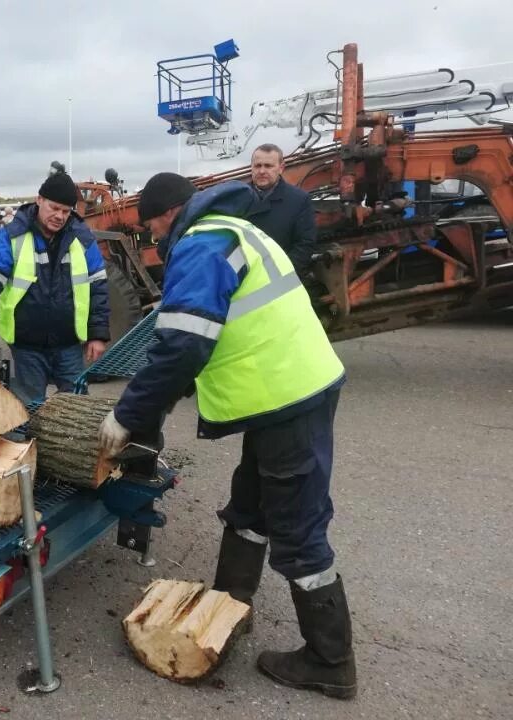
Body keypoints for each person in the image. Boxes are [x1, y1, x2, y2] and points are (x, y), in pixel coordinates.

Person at [99, 172, 356, 700]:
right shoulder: (236, 229)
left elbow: (183, 347)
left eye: (150, 229)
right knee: (251, 504)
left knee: (299, 530)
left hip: (288, 397)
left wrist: (128, 416)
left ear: (166, 214)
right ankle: (230, 603)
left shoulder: (201, 243)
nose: (154, 239)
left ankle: (331, 662)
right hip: (279, 395)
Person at [0, 170, 110, 404]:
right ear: (39, 200)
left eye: (65, 211)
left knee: (77, 409)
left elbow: (98, 290)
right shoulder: (12, 235)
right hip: (27, 346)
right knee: (28, 409)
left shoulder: (82, 239)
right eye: (54, 208)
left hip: (69, 344)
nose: (60, 216)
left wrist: (98, 335)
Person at [247, 143, 317, 273]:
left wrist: (282, 272)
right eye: (258, 166)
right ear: (251, 167)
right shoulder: (238, 198)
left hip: (280, 277)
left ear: (281, 168)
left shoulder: (299, 200)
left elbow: (305, 244)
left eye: (268, 166)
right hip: (243, 278)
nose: (262, 171)